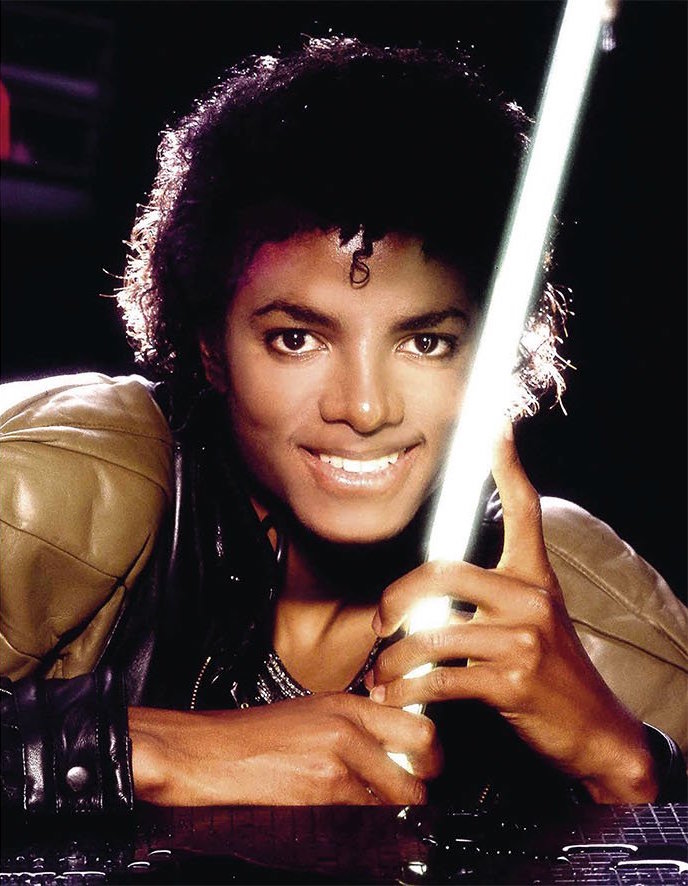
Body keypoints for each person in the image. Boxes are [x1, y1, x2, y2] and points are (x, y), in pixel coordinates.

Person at [1, 37, 686, 815]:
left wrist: (629, 770)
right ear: (210, 348)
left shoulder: (585, 603)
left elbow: (639, 780)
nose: (364, 409)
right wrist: (137, 751)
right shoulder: (65, 483)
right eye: (297, 339)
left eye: (426, 342)